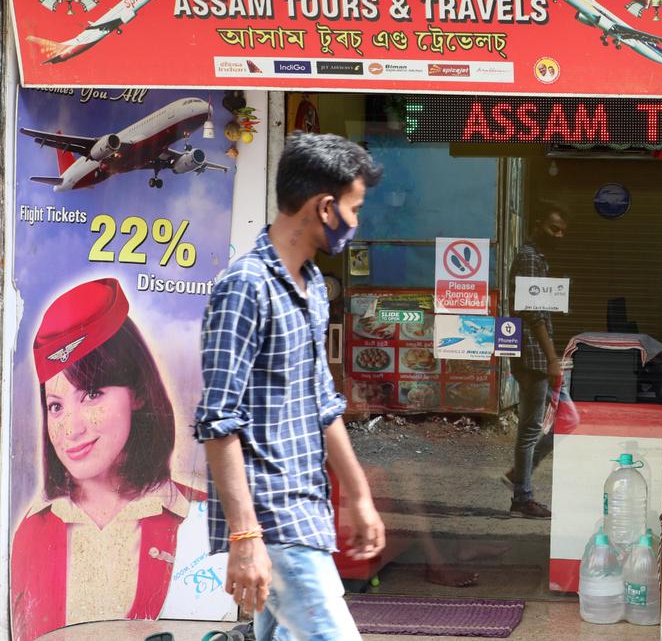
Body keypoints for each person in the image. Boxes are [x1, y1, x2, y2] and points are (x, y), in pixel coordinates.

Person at [195, 132, 385, 640]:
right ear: (326, 208)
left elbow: (323, 403)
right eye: (354, 207)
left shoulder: (313, 285)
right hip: (273, 519)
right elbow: (217, 423)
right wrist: (245, 536)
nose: (356, 222)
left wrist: (358, 496)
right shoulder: (245, 287)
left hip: (307, 511)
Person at [11, 278, 202, 641]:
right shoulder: (30, 531)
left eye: (92, 393)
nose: (71, 429)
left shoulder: (196, 517)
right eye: (56, 406)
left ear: (139, 393)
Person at [503, 200, 569, 519]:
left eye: (562, 232)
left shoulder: (537, 259)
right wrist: (552, 357)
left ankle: (520, 474)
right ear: (539, 223)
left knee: (567, 419)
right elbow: (533, 313)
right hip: (532, 355)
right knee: (531, 428)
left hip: (535, 355)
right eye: (553, 228)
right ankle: (522, 496)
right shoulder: (529, 259)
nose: (558, 235)